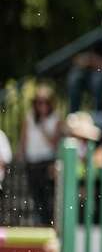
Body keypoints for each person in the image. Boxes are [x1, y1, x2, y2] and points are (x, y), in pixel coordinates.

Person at [20, 87, 61, 224]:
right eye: (39, 102)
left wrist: (43, 126)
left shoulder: (55, 118)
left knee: (47, 193)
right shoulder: (29, 117)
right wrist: (21, 154)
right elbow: (24, 138)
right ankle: (41, 221)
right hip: (32, 160)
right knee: (35, 193)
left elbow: (54, 144)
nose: (42, 105)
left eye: (45, 102)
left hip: (47, 160)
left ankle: (49, 221)